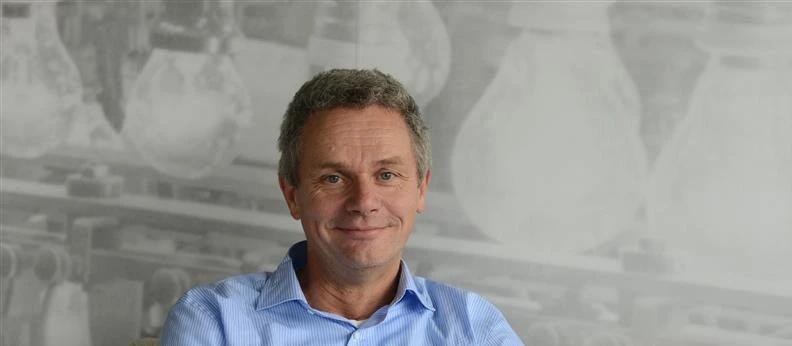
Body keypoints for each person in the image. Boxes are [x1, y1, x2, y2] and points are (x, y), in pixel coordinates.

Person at [159, 69, 524, 345]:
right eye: (333, 178)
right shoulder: (213, 321)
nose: (364, 202)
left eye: (386, 174)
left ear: (421, 190)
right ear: (292, 195)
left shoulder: (476, 329)